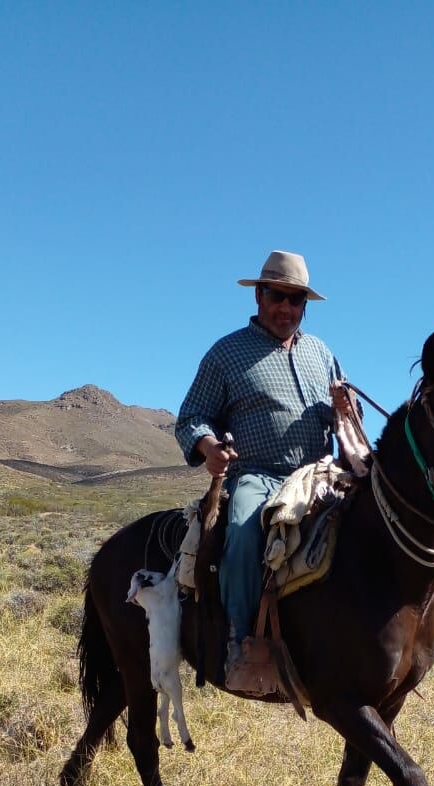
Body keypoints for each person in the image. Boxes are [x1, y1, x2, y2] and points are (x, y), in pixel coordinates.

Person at [175, 250, 346, 692]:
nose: (286, 308)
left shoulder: (321, 353)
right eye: (278, 296)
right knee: (243, 532)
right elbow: (192, 416)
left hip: (320, 474)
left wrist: (346, 412)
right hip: (259, 476)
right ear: (259, 296)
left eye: (296, 300)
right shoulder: (227, 353)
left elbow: (342, 417)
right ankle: (240, 642)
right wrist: (208, 445)